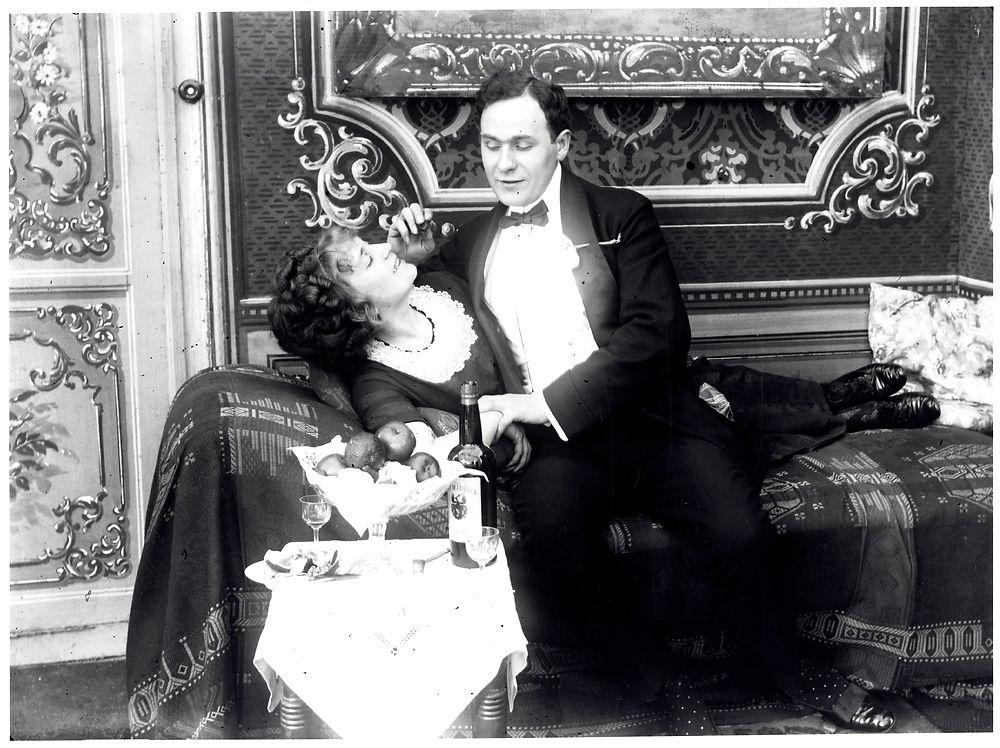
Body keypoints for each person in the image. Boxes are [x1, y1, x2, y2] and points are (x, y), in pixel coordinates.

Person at [384, 70, 909, 734]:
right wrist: (421, 259)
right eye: (491, 146)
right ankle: (662, 683)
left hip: (656, 422)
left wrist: (540, 403)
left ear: (561, 145)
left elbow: (659, 336)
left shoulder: (620, 214)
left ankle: (798, 678)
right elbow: (424, 320)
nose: (504, 163)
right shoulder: (470, 244)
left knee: (739, 531)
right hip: (559, 449)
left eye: (522, 144)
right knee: (552, 541)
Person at [267, 229, 532, 473]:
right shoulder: (375, 387)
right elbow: (426, 462)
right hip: (537, 456)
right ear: (360, 310)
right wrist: (495, 418)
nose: (385, 247)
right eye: (368, 259)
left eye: (367, 245)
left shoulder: (438, 282)